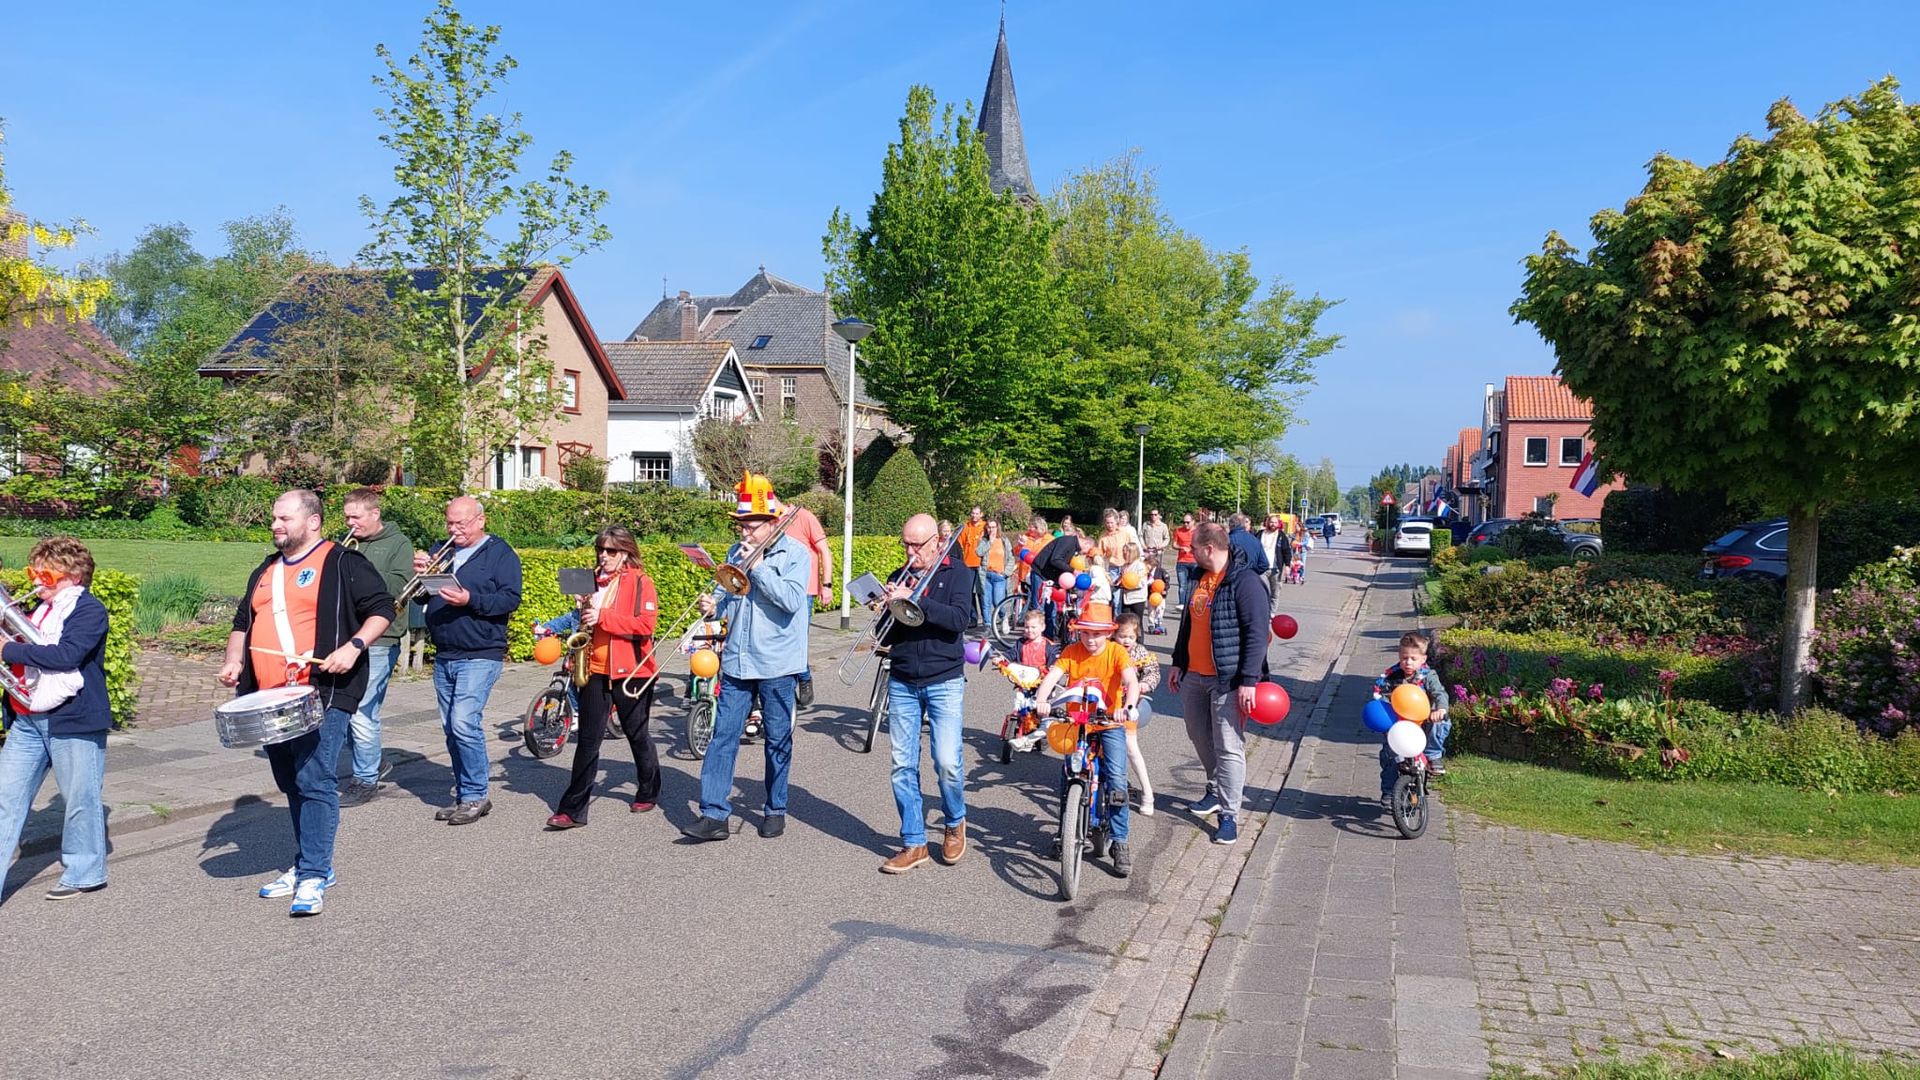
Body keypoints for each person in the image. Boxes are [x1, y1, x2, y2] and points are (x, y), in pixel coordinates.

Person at [220, 490, 394, 915]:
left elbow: (382, 608)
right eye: (274, 519)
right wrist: (233, 659)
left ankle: (314, 872)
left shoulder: (342, 563)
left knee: (315, 778)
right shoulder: (266, 569)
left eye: (284, 518)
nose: (276, 525)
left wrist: (353, 646)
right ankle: (308, 864)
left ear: (312, 521)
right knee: (291, 781)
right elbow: (244, 621)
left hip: (324, 691)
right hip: (267, 696)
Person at [682, 473, 813, 842]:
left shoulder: (796, 555)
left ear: (771, 523)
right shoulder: (732, 553)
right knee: (723, 736)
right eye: (740, 524)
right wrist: (714, 606)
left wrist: (757, 567)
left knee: (776, 738)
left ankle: (775, 808)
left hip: (777, 662)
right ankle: (713, 814)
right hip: (738, 659)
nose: (743, 532)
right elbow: (730, 595)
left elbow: (790, 601)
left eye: (750, 525)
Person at [0, 537, 113, 900]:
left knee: (79, 798)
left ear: (74, 576)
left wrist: (8, 648)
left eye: (44, 574)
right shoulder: (38, 608)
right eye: (34, 573)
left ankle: (85, 872)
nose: (35, 582)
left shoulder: (89, 611)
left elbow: (66, 655)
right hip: (29, 718)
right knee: (5, 797)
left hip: (73, 718)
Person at [415, 494, 523, 826]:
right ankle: (465, 794)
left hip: (480, 651)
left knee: (464, 722)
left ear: (480, 520)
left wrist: (469, 599)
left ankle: (476, 794)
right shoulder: (442, 549)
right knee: (451, 728)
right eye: (449, 522)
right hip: (447, 650)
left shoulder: (499, 553)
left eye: (460, 523)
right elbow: (422, 594)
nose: (453, 529)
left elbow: (510, 598)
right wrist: (421, 574)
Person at [876, 513, 974, 874]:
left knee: (947, 761)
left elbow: (958, 621)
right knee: (902, 765)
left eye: (917, 545)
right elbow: (886, 639)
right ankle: (914, 842)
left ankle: (954, 821)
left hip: (944, 678)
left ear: (936, 542)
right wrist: (883, 612)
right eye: (906, 544)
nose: (910, 551)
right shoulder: (896, 577)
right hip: (902, 678)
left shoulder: (957, 573)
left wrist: (915, 600)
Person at [545, 527, 662, 829]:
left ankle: (649, 789)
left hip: (632, 671)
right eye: (600, 549)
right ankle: (572, 810)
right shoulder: (592, 581)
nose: (603, 556)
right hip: (595, 669)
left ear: (626, 553)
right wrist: (582, 610)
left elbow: (645, 626)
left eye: (611, 551)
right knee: (588, 741)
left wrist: (603, 617)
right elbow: (586, 626)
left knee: (637, 735)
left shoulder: (641, 583)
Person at [1168, 522, 1270, 846]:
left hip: (1228, 680)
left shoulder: (1245, 582)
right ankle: (1215, 790)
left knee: (1228, 746)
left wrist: (1249, 681)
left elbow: (1256, 634)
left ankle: (1229, 815)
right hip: (1194, 676)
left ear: (1208, 548)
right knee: (1199, 735)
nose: (1189, 552)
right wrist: (1177, 662)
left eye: (1193, 548)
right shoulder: (1199, 578)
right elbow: (1188, 624)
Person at [1032, 602, 1141, 877]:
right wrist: (1041, 700)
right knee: (1068, 774)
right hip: (1077, 723)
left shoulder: (1116, 653)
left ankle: (1120, 841)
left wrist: (1127, 706)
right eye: (1085, 633)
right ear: (1078, 633)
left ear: (1108, 634)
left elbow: (1131, 681)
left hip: (1108, 722)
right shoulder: (1071, 651)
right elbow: (1054, 675)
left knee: (1116, 779)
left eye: (1097, 634)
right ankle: (1064, 832)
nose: (1091, 640)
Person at [337, 487, 411, 807]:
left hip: (381, 638)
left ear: (374, 514)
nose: (350, 523)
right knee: (339, 709)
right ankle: (373, 760)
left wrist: (357, 577)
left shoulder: (398, 544)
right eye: (347, 517)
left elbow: (398, 588)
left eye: (356, 517)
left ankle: (366, 779)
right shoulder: (346, 545)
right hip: (345, 638)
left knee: (363, 712)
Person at [1376, 632, 1452, 801]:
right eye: (1404, 658)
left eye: (1413, 658)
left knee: (1441, 722)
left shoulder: (1428, 676)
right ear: (1399, 656)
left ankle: (1433, 756)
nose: (1408, 662)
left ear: (1423, 659)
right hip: (1399, 726)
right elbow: (1381, 696)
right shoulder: (1391, 677)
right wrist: (1381, 712)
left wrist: (1440, 709)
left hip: (1424, 722)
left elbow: (1440, 694)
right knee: (1389, 756)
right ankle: (1389, 792)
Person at [780, 499, 831, 710]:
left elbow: (824, 551)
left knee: (796, 640)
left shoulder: (804, 517)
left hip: (804, 591)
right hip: (779, 591)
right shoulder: (770, 520)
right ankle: (784, 688)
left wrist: (826, 584)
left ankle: (804, 676)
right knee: (780, 641)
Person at [1112, 612, 1160, 818]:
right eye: (1122, 636)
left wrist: (1145, 684)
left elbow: (1153, 671)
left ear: (1137, 636)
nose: (1126, 641)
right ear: (1114, 635)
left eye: (1131, 637)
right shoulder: (1109, 649)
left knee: (1131, 749)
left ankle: (1148, 793)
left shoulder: (1140, 653)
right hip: (1107, 705)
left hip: (1128, 706)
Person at [977, 517, 1015, 629]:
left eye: (993, 527)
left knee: (997, 601)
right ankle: (987, 625)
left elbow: (1011, 558)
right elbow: (979, 552)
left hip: (999, 576)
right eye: (989, 527)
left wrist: (1005, 573)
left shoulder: (1004, 540)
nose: (991, 530)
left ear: (997, 528)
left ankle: (1004, 618)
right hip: (986, 575)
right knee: (985, 602)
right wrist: (990, 542)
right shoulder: (984, 541)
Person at [956, 505, 987, 626]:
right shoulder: (966, 527)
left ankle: (987, 619)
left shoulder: (985, 526)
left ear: (981, 514)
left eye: (977, 513)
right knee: (969, 593)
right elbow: (960, 544)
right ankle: (973, 618)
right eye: (973, 513)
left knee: (982, 592)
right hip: (968, 564)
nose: (974, 516)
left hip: (981, 564)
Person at [1114, 542, 1150, 622]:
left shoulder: (1140, 565)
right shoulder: (1125, 566)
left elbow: (1141, 583)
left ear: (1132, 553)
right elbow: (1122, 579)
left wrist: (1127, 585)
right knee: (1126, 622)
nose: (1123, 554)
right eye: (1123, 552)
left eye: (1125, 552)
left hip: (1137, 598)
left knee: (1137, 623)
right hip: (1126, 598)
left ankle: (1139, 635)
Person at [1226, 512, 1269, 577]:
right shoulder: (1255, 540)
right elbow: (1264, 564)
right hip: (1251, 580)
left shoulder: (1228, 540)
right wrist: (1253, 572)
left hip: (1232, 579)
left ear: (1230, 525)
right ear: (1244, 524)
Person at [1173, 513, 1197, 610]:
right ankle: (1182, 604)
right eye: (1184, 522)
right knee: (1182, 585)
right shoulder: (1178, 531)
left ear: (1193, 522)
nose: (1186, 524)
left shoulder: (1198, 532)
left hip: (1195, 561)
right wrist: (1181, 547)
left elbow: (1203, 544)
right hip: (1182, 561)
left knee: (1194, 584)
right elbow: (1174, 544)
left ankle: (1192, 603)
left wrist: (1193, 548)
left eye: (1188, 522)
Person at [1141, 509, 1171, 574]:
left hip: (1157, 552)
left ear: (1158, 515)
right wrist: (1143, 545)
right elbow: (1140, 536)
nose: (1153, 516)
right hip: (1147, 551)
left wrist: (1162, 545)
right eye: (1151, 514)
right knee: (1146, 569)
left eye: (1155, 514)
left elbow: (1167, 538)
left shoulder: (1163, 526)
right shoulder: (1146, 524)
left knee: (1157, 571)